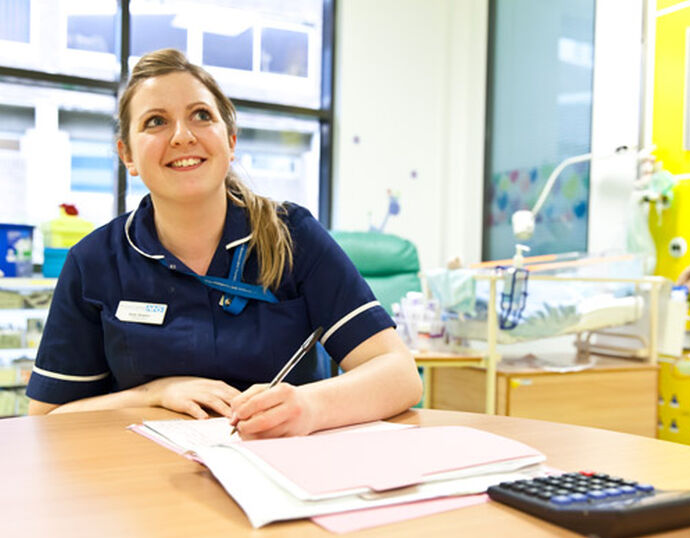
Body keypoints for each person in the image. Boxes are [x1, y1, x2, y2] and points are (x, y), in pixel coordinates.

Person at [26, 48, 422, 438]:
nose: (182, 136)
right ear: (126, 155)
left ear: (230, 141)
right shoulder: (93, 262)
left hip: (282, 470)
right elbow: (47, 417)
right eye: (155, 121)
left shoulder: (292, 235)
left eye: (201, 115)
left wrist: (310, 405)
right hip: (141, 483)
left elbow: (399, 375)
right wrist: (154, 393)